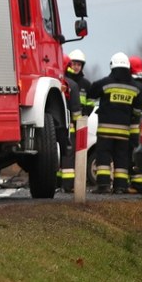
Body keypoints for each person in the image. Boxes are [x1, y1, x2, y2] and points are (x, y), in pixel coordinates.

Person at [87, 53, 142, 194]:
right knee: (121, 159)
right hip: (124, 132)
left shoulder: (106, 83)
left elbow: (92, 92)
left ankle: (104, 186)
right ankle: (120, 187)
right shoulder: (135, 88)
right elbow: (138, 110)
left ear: (112, 65)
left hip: (105, 131)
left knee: (104, 158)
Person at [58, 55, 83, 193]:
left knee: (55, 153)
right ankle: (67, 185)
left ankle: (55, 183)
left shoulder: (50, 81)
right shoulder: (72, 85)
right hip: (69, 127)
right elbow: (76, 112)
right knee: (68, 154)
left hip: (51, 127)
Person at [128, 56, 142, 194]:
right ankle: (139, 184)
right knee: (137, 155)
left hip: (133, 125)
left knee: (131, 155)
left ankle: (136, 186)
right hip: (139, 124)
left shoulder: (134, 84)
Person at [67, 49, 95, 116]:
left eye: (79, 65)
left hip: (82, 119)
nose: (76, 67)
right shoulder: (64, 81)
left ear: (82, 66)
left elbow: (91, 103)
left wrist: (85, 114)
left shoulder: (86, 84)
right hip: (66, 118)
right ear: (69, 65)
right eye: (74, 64)